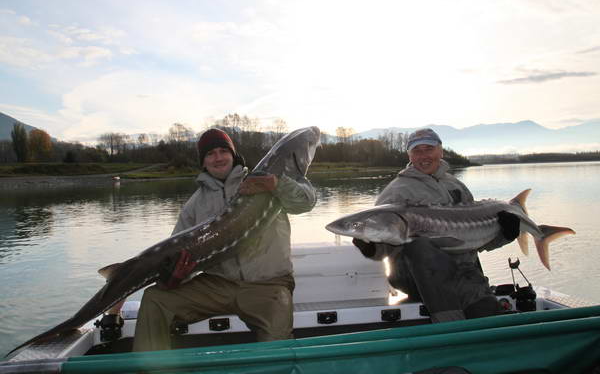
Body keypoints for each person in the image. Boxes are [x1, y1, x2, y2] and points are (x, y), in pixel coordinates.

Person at [126, 128, 317, 351]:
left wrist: (276, 185)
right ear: (203, 162)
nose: (218, 157)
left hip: (268, 284)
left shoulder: (268, 180)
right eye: (210, 154)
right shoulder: (194, 205)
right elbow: (178, 255)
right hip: (217, 286)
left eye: (223, 151)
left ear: (233, 154)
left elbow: (306, 203)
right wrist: (175, 276)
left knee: (277, 344)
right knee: (155, 299)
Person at [352, 128, 520, 323]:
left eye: (429, 149)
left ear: (441, 151)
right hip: (418, 278)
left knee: (490, 323)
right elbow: (386, 247)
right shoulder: (396, 193)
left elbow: (473, 240)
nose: (424, 156)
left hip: (465, 277)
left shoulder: (456, 186)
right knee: (420, 244)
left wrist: (505, 234)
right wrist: (371, 247)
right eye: (417, 151)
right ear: (409, 155)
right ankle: (451, 329)